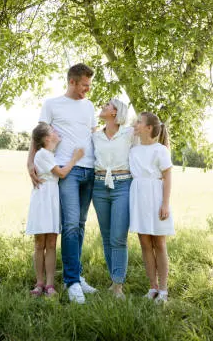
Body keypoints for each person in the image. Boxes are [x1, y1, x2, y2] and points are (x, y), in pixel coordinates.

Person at [27, 63, 98, 304]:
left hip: (90, 170)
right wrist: (30, 164)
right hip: (67, 172)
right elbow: (37, 135)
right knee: (68, 225)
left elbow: (94, 135)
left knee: (79, 224)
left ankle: (77, 275)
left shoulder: (89, 106)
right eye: (84, 86)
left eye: (89, 86)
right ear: (72, 82)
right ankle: (71, 282)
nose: (87, 90)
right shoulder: (52, 104)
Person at [26, 123, 84, 298]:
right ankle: (39, 283)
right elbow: (62, 173)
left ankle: (50, 284)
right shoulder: (43, 154)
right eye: (53, 131)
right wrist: (75, 158)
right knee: (40, 243)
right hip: (43, 199)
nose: (57, 132)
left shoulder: (49, 154)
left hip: (52, 198)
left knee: (51, 243)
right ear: (46, 138)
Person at [129, 112, 174, 303]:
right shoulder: (133, 149)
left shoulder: (160, 150)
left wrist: (165, 203)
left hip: (155, 197)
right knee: (145, 244)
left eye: (139, 122)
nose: (135, 124)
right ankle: (152, 287)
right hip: (138, 198)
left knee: (159, 243)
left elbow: (167, 177)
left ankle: (163, 290)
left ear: (149, 128)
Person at [92, 99, 134, 298]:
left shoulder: (129, 134)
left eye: (108, 105)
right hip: (99, 185)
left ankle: (118, 285)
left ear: (116, 112)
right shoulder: (95, 136)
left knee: (118, 237)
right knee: (107, 237)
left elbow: (152, 140)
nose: (103, 106)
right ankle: (113, 279)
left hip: (123, 184)